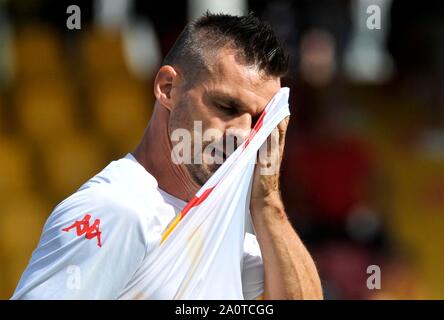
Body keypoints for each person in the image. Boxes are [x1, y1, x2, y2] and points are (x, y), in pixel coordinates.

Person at [12, 12, 322, 300]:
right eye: (226, 107)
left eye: (258, 121)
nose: (243, 134)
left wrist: (267, 202)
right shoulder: (117, 211)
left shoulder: (219, 223)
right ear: (168, 87)